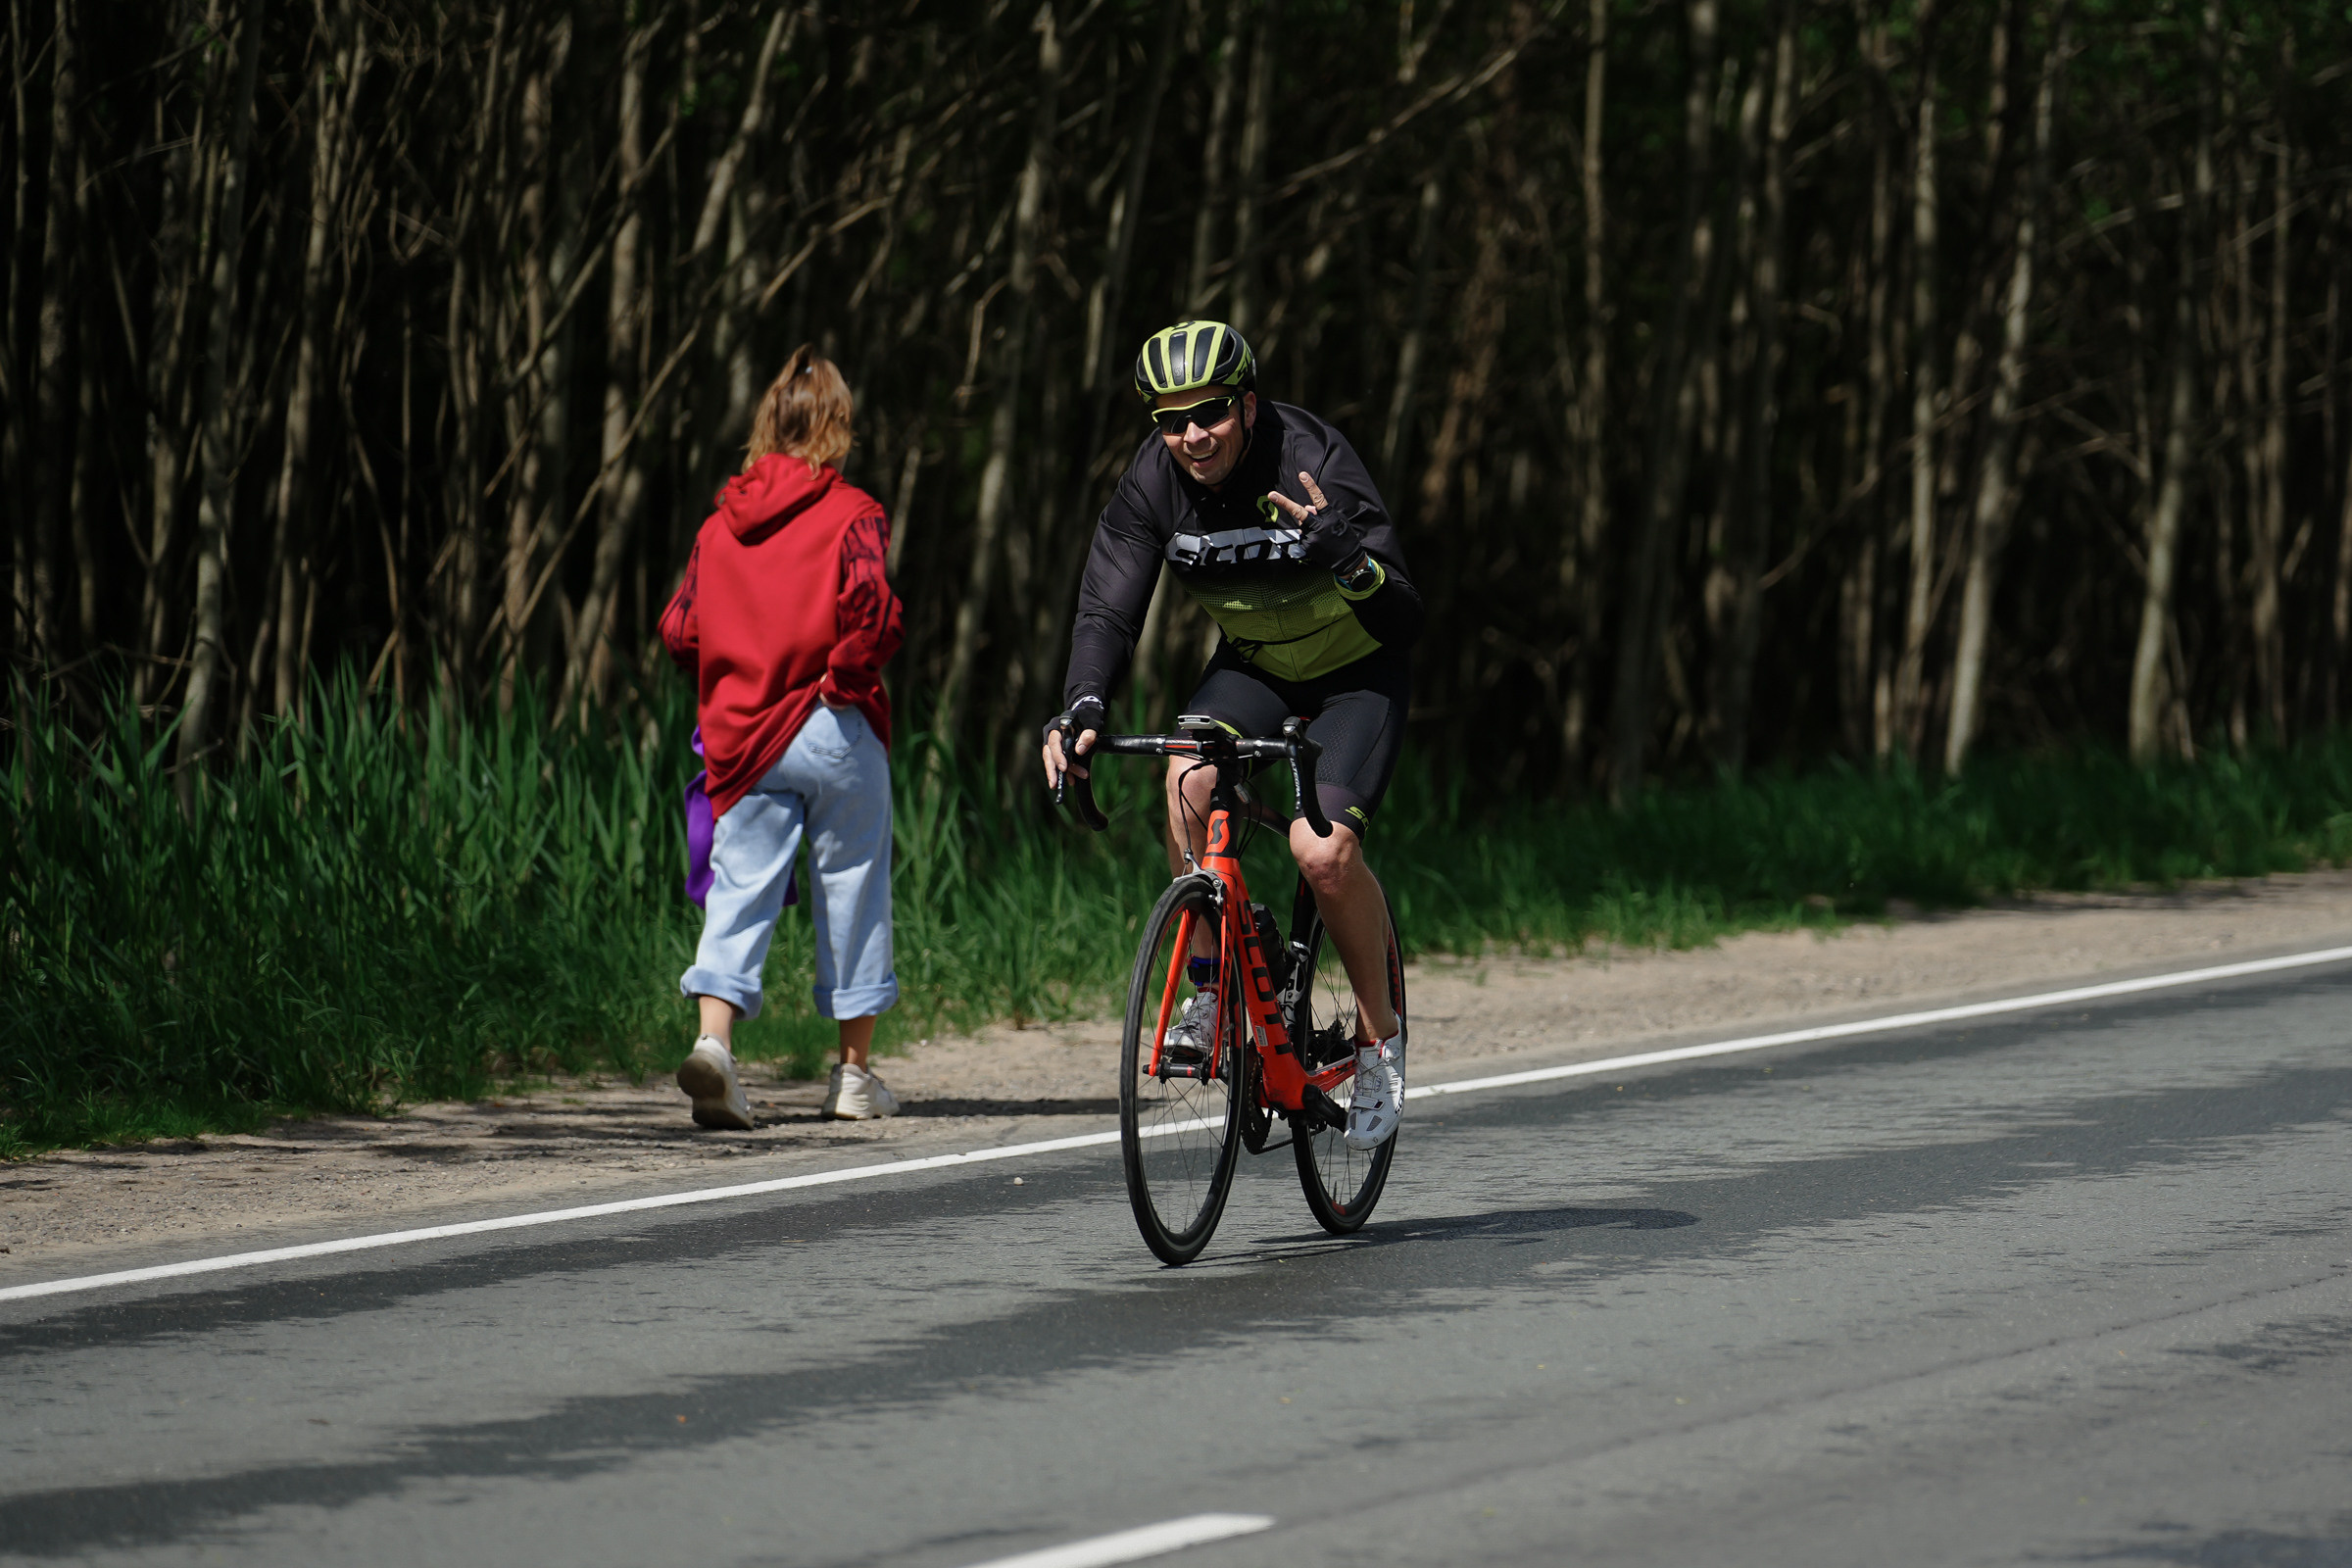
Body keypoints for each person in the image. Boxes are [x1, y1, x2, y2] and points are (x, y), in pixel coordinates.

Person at [1040, 319, 1422, 1151]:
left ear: (1247, 403)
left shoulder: (1310, 457)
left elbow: (1404, 612)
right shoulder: (1154, 481)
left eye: (1209, 412)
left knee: (1321, 854)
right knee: (1185, 772)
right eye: (1172, 421)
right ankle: (1212, 984)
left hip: (1360, 672)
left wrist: (1349, 559)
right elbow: (1109, 606)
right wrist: (1082, 708)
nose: (1192, 435)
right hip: (1257, 666)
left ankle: (1380, 1042)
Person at [660, 345, 905, 1127]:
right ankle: (854, 1078)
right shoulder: (854, 514)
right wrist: (839, 675)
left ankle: (716, 1049)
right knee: (854, 890)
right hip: (834, 724)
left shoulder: (715, 529)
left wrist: (736, 670)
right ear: (836, 426)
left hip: (743, 736)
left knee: (739, 893)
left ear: (766, 423)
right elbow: (872, 609)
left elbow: (679, 628)